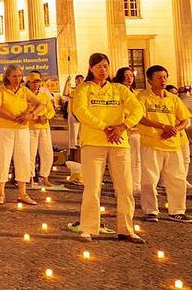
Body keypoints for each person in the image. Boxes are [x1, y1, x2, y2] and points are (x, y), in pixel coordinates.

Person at [72, 53, 144, 243]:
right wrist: (104, 126)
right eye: (98, 67)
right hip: (93, 141)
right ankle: (88, 228)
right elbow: (80, 111)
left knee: (125, 187)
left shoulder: (120, 89)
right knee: (92, 186)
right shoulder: (83, 88)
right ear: (90, 69)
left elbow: (138, 109)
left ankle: (126, 229)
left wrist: (123, 126)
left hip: (119, 142)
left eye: (105, 66)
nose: (102, 71)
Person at [137, 65, 191, 222]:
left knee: (178, 179)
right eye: (159, 77)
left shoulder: (173, 98)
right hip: (151, 143)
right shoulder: (142, 98)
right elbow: (139, 117)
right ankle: (150, 210)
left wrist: (175, 129)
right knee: (149, 179)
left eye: (165, 77)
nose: (163, 80)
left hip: (173, 144)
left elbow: (185, 119)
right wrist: (162, 126)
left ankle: (177, 210)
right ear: (149, 80)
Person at [0, 65, 43, 205]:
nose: (17, 79)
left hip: (22, 130)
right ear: (8, 76)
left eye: (19, 76)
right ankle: (1, 192)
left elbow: (40, 104)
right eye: (14, 76)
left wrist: (30, 115)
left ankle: (22, 192)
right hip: (4, 129)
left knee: (23, 159)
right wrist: (13, 118)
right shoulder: (1, 90)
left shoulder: (24, 90)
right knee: (3, 158)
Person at [113, 67, 142, 194]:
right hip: (120, 130)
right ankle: (119, 187)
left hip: (135, 130)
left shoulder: (136, 94)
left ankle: (136, 185)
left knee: (136, 159)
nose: (129, 78)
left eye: (131, 75)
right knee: (119, 161)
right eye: (126, 76)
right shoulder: (115, 91)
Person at [26, 71, 57, 188]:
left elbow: (51, 110)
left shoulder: (44, 96)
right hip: (30, 127)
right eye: (33, 82)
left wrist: (45, 117)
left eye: (38, 81)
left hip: (44, 127)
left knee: (47, 152)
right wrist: (36, 117)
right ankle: (29, 177)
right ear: (28, 83)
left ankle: (44, 177)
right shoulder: (25, 95)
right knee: (30, 153)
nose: (36, 84)